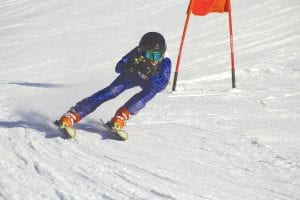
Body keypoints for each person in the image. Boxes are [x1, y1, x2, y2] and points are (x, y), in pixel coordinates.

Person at [58, 32, 172, 131]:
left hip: (149, 84)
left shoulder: (166, 62)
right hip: (132, 76)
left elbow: (161, 86)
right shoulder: (136, 53)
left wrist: (151, 75)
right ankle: (75, 113)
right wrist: (130, 66)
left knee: (147, 95)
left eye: (155, 56)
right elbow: (118, 67)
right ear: (141, 51)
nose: (152, 59)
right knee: (111, 91)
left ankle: (122, 116)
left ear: (162, 54)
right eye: (148, 54)